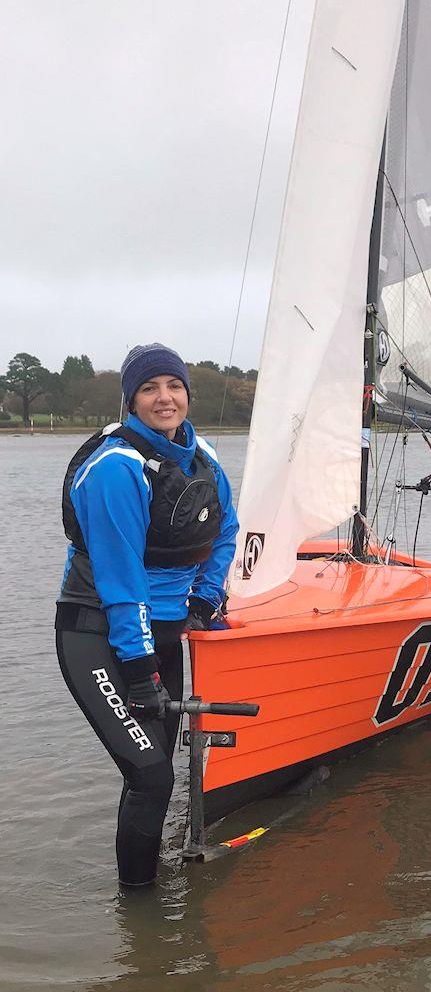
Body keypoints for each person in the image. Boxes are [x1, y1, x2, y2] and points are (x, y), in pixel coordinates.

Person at [55, 343, 239, 886]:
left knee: (158, 771)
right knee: (151, 776)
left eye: (174, 386)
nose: (165, 398)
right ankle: (138, 902)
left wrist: (205, 599)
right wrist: (138, 672)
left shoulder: (200, 453)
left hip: (162, 633)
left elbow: (226, 529)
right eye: (149, 389)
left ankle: (146, 953)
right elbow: (121, 581)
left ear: (187, 394)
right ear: (131, 401)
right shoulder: (115, 468)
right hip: (99, 634)